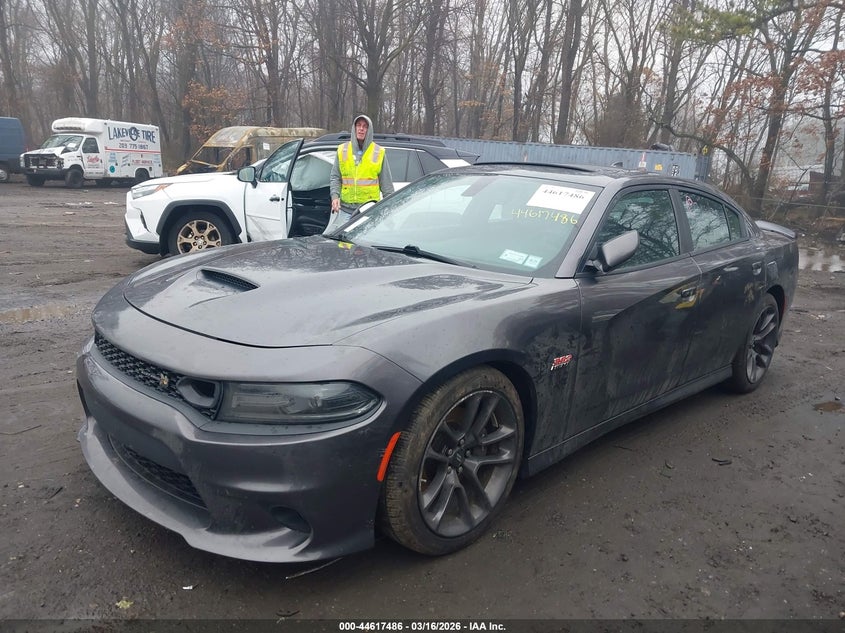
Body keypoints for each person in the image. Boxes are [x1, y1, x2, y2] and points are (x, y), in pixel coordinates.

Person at [326, 114, 394, 233]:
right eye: (358, 125)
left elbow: (387, 185)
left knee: (365, 247)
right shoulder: (343, 150)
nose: (361, 129)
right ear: (354, 128)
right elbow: (335, 177)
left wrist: (389, 210)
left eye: (365, 126)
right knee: (339, 244)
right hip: (345, 210)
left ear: (369, 130)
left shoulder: (378, 152)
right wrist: (335, 196)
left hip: (368, 211)